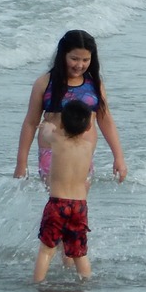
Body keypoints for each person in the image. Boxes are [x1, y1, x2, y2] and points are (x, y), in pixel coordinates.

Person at [14, 29, 128, 185]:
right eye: (74, 59)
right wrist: (22, 162)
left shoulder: (95, 84)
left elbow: (105, 120)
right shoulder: (45, 83)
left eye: (86, 60)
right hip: (52, 152)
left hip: (84, 153)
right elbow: (30, 122)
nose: (80, 65)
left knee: (79, 201)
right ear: (63, 56)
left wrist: (119, 157)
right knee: (58, 200)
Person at [33, 101, 97, 282]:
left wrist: (47, 125)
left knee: (46, 249)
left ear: (62, 125)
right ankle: (86, 283)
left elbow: (47, 133)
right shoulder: (87, 147)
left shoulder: (57, 140)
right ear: (89, 126)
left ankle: (37, 284)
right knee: (79, 252)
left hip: (57, 203)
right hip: (79, 206)